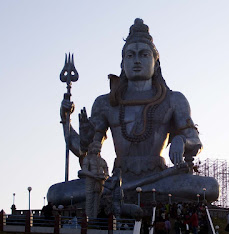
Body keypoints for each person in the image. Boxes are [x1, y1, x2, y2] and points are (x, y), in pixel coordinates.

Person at [57, 18, 219, 204]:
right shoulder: (106, 103)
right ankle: (136, 193)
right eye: (130, 55)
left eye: (143, 55)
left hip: (161, 178)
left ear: (156, 63)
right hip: (117, 179)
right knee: (57, 193)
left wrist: (181, 140)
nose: (136, 61)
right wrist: (66, 121)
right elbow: (82, 149)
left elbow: (195, 142)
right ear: (123, 63)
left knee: (210, 187)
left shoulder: (173, 99)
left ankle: (130, 194)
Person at [78, 141, 109, 218]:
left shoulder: (102, 160)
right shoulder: (87, 159)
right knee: (89, 199)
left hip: (100, 181)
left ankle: (95, 218)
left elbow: (107, 172)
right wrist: (93, 175)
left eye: (99, 148)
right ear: (91, 148)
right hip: (91, 179)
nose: (98, 149)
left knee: (97, 200)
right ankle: (89, 218)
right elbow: (84, 170)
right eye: (96, 147)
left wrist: (104, 176)